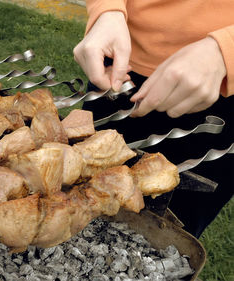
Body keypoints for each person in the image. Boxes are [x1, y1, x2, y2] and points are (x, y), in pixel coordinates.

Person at [73, 1, 233, 238]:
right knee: (78, 197)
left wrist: (227, 48)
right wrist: (107, 11)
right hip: (121, 65)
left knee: (166, 242)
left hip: (222, 89)